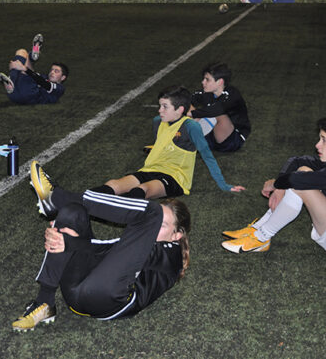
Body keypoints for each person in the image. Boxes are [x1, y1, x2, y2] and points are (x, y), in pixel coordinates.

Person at [12, 163, 191, 328]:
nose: (154, 228)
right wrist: (69, 241)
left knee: (152, 212)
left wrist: (72, 243)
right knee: (73, 213)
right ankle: (45, 301)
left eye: (162, 225)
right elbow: (114, 250)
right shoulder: (143, 244)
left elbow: (114, 250)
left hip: (110, 300)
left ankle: (58, 198)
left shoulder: (172, 256)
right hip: (76, 293)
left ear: (177, 235)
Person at [222, 114, 326, 255]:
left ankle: (262, 237)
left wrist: (275, 184)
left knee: (301, 181)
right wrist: (280, 186)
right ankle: (257, 229)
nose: (317, 145)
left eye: (324, 140)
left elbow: (297, 181)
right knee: (302, 170)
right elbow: (297, 160)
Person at [89, 86, 245, 198]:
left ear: (180, 110)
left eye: (165, 106)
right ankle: (81, 202)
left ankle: (121, 212)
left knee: (141, 190)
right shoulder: (158, 121)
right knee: (114, 185)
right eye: (160, 105)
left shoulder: (191, 127)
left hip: (176, 177)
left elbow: (207, 155)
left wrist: (224, 185)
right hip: (149, 170)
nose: (159, 110)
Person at [189, 62, 250, 153]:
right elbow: (186, 100)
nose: (203, 82)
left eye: (207, 80)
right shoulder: (206, 93)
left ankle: (194, 139)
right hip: (212, 136)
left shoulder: (232, 94)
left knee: (216, 113)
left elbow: (217, 110)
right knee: (184, 104)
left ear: (220, 82)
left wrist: (192, 114)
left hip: (232, 139)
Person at [0, 33, 68, 105]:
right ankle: (10, 84)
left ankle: (32, 56)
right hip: (14, 96)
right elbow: (34, 76)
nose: (52, 72)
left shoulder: (59, 89)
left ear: (63, 77)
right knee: (21, 52)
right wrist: (15, 67)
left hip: (30, 96)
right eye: (51, 70)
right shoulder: (44, 77)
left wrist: (23, 68)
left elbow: (44, 84)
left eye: (56, 71)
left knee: (26, 71)